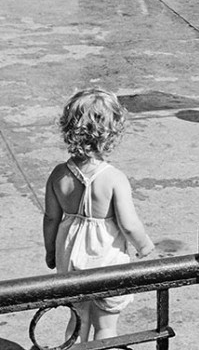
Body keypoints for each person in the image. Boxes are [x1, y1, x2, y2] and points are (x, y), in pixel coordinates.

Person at [44, 89, 156, 344]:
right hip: (107, 262)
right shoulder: (114, 178)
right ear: (112, 133)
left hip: (71, 257)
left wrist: (51, 251)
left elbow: (51, 218)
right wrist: (144, 245)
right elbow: (128, 224)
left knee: (77, 320)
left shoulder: (59, 175)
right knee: (106, 326)